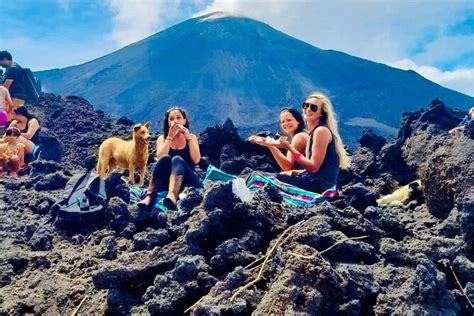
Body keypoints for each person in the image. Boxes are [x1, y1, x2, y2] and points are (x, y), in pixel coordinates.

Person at [273, 92, 350, 192]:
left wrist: (288, 147)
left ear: (321, 113)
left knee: (257, 178)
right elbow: (317, 170)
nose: (308, 109)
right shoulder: (313, 133)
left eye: (313, 107)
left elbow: (313, 167)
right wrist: (293, 172)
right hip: (314, 183)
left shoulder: (321, 131)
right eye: (306, 105)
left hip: (319, 187)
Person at [139, 107, 202, 210]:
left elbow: (196, 160)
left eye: (178, 118)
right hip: (167, 181)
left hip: (189, 180)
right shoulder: (162, 139)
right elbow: (160, 158)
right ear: (168, 123)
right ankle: (149, 196)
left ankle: (173, 196)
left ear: (184, 120)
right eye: (171, 119)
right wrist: (170, 137)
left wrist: (188, 138)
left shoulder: (192, 137)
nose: (175, 121)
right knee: (165, 159)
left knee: (177, 159)